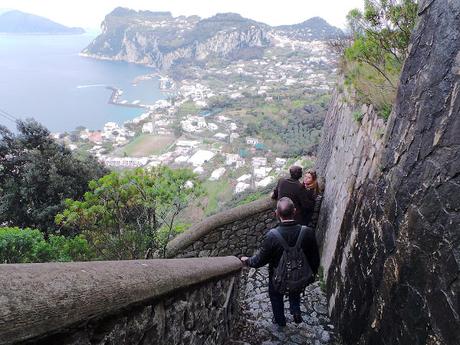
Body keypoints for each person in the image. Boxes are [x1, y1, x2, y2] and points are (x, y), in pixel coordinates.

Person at [240, 197, 320, 329]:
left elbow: (259, 260)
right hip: (300, 274)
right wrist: (313, 274)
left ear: (277, 214)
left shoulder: (272, 236)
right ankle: (295, 311)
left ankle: (280, 321)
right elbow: (314, 257)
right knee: (295, 286)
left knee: (276, 297)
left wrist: (247, 260)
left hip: (278, 277)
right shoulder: (308, 232)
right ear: (294, 211)